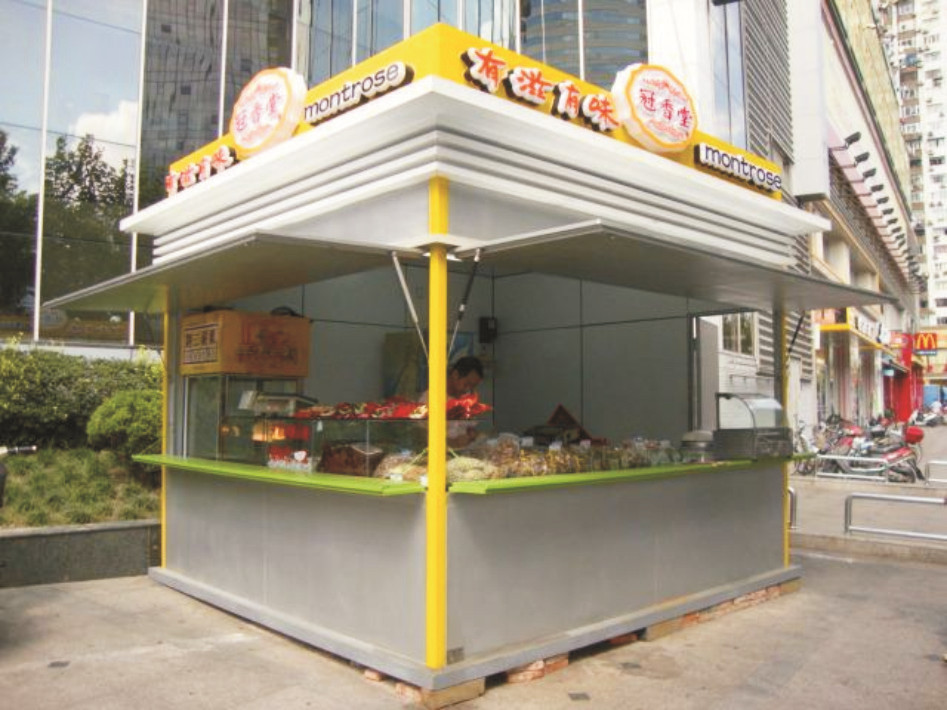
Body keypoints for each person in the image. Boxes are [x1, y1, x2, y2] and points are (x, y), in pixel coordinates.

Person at [419, 356, 485, 447]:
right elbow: (421, 435)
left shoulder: (469, 399)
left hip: (465, 451)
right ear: (455, 375)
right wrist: (452, 443)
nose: (468, 389)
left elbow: (470, 427)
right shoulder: (430, 399)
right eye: (467, 384)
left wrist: (472, 435)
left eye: (473, 386)